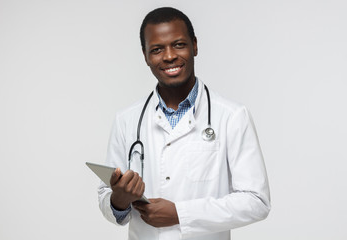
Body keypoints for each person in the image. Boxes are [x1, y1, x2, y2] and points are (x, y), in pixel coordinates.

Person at [98, 7, 270, 240]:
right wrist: (119, 199)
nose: (169, 56)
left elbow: (256, 201)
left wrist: (181, 214)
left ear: (195, 45)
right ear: (146, 55)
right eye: (157, 49)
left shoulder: (232, 116)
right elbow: (108, 198)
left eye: (178, 44)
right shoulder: (126, 120)